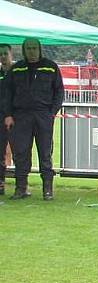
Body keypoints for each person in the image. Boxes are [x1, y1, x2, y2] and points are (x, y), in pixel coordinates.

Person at [3, 38, 63, 200]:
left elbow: (59, 92)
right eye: (28, 48)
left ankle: (47, 190)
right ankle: (20, 188)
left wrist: (52, 112)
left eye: (34, 48)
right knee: (20, 153)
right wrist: (8, 114)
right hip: (20, 116)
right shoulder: (16, 69)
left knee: (45, 153)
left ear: (40, 49)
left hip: (43, 114)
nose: (31, 51)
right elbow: (7, 94)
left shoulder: (50, 67)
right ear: (23, 50)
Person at [0, 44, 13, 196]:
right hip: (1, 117)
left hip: (17, 118)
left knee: (19, 152)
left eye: (5, 53)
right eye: (0, 54)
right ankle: (1, 184)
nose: (3, 56)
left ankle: (22, 186)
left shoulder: (17, 72)